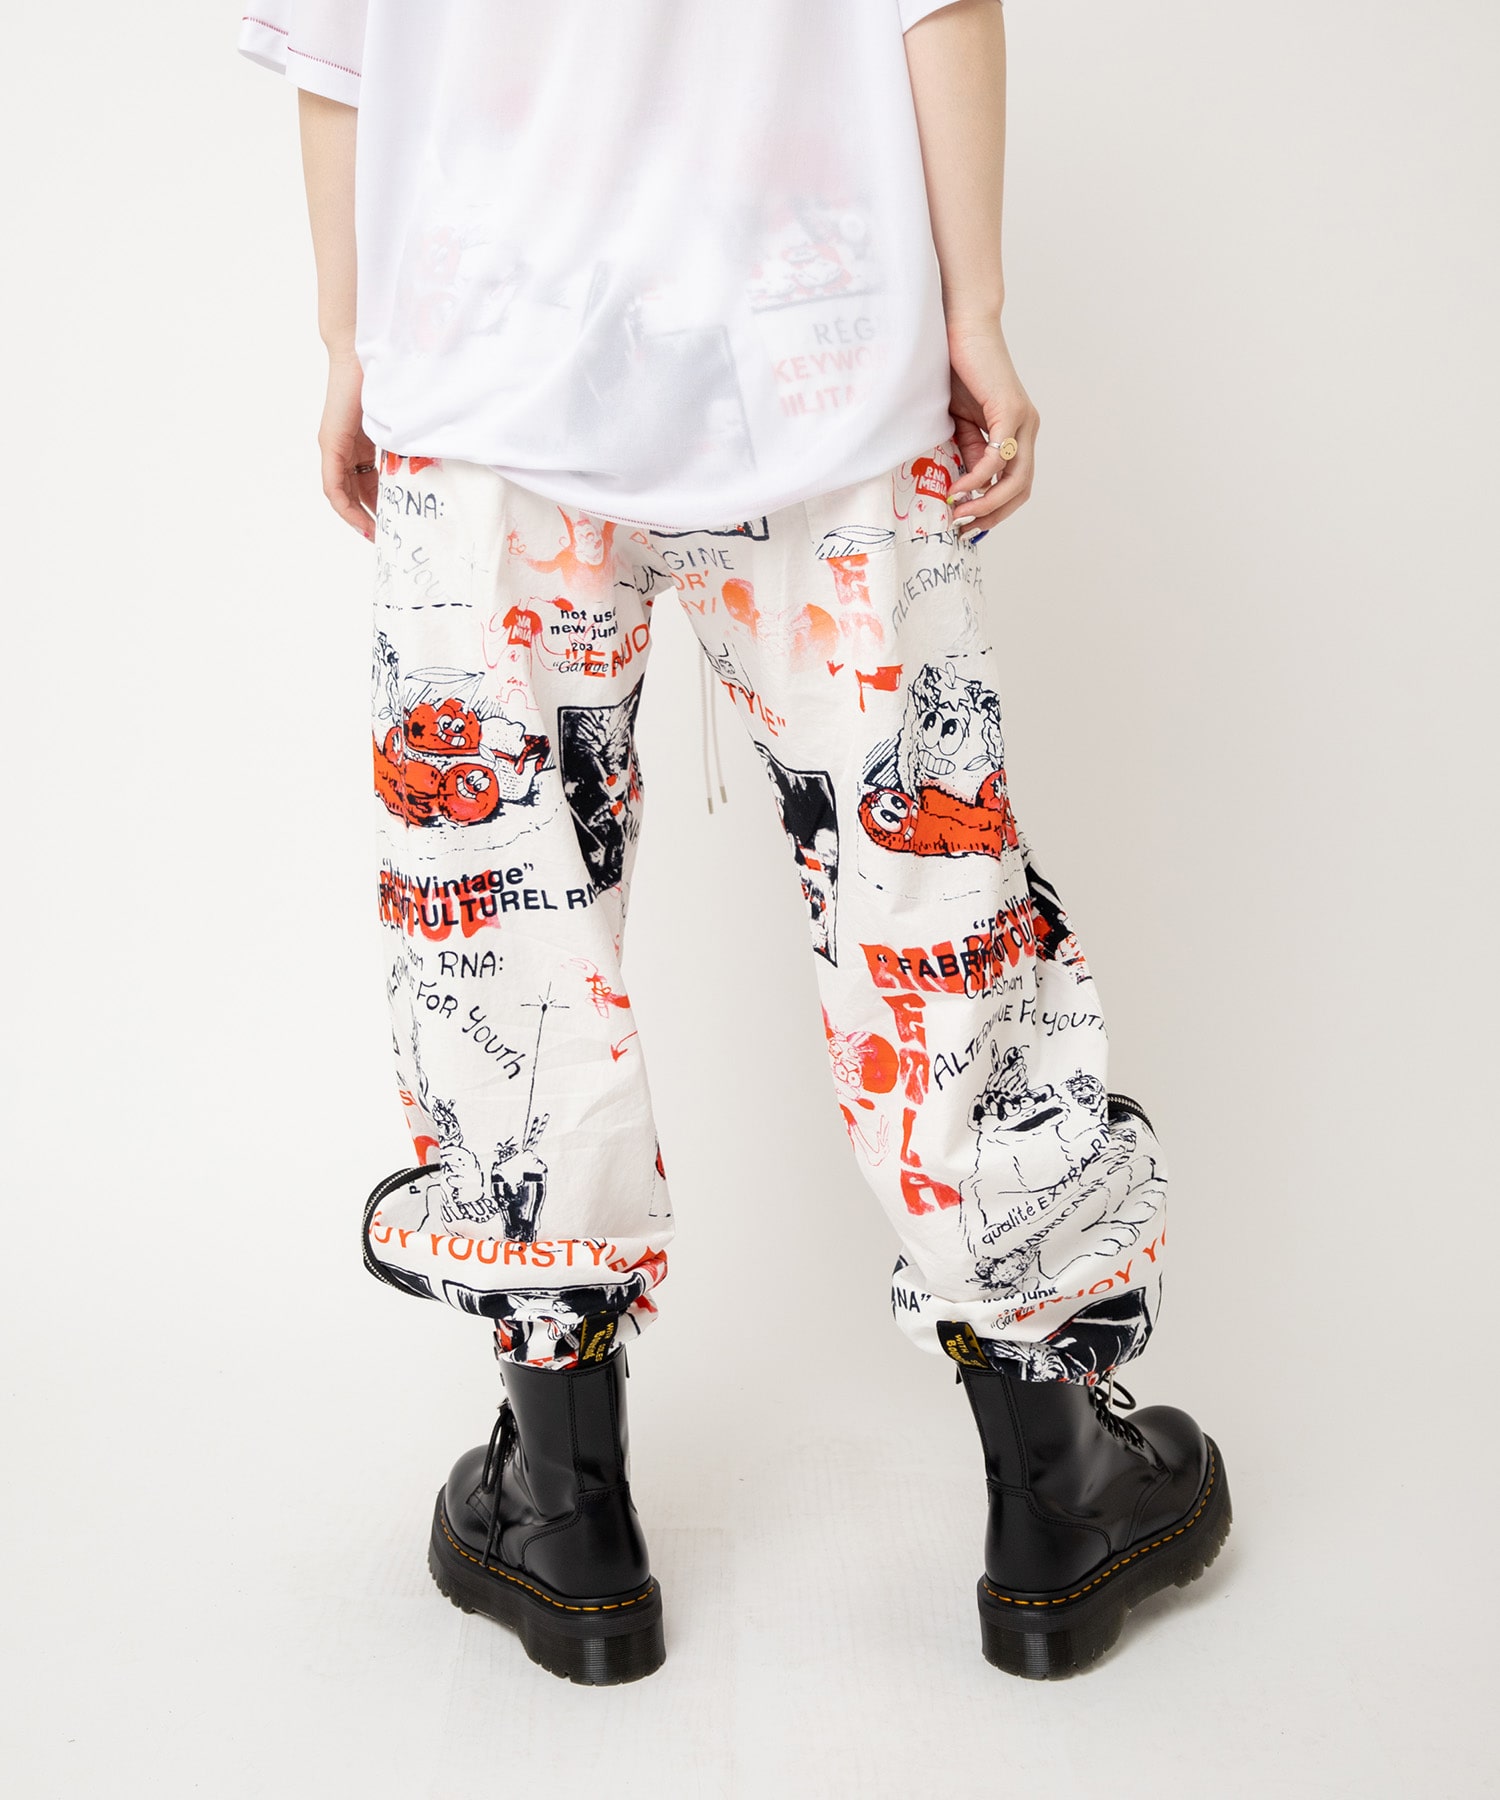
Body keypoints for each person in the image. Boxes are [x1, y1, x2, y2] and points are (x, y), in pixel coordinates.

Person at [240, 0, 1229, 1685]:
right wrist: (973, 313)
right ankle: (1056, 1489)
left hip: (484, 375)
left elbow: (339, 59)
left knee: (505, 944)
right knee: (927, 910)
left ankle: (565, 1517)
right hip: (812, 359)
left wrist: (352, 344)